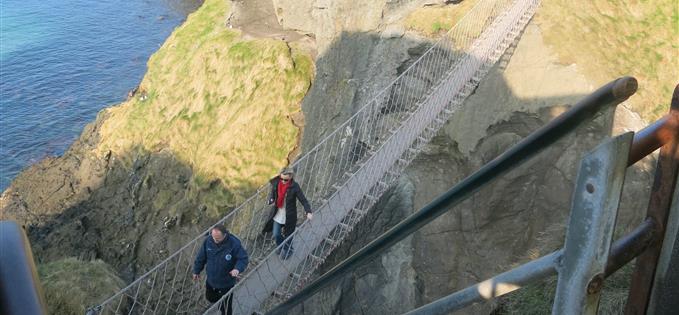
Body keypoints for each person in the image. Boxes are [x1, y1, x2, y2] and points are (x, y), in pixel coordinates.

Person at [193, 224, 249, 315]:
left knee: (226, 309)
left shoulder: (234, 244)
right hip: (211, 280)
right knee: (210, 298)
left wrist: (237, 269)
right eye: (213, 237)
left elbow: (243, 258)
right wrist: (196, 270)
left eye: (217, 239)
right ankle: (221, 303)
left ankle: (224, 308)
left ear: (225, 235)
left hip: (226, 282)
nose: (215, 240)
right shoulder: (208, 241)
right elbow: (201, 257)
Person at [261, 167, 312, 259]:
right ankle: (282, 246)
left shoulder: (294, 187)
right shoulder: (277, 183)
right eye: (281, 179)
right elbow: (273, 194)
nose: (283, 181)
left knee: (288, 235)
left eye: (285, 180)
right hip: (278, 213)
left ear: (291, 177)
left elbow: (303, 200)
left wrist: (308, 211)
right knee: (276, 233)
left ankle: (289, 250)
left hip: (290, 215)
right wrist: (271, 199)